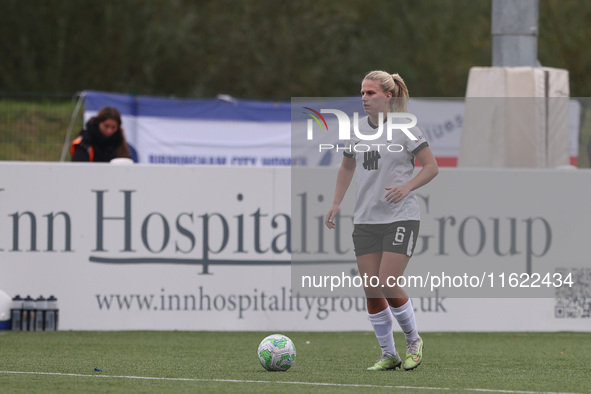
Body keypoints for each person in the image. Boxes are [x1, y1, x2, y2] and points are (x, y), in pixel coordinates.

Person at [325, 70, 438, 371]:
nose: (364, 98)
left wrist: (407, 187)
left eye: (371, 93)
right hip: (365, 220)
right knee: (372, 289)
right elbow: (347, 168)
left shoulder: (405, 128)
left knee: (388, 282)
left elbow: (431, 167)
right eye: (362, 93)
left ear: (388, 96)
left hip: (400, 217)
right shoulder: (357, 129)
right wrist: (336, 202)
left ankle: (413, 341)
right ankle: (389, 353)